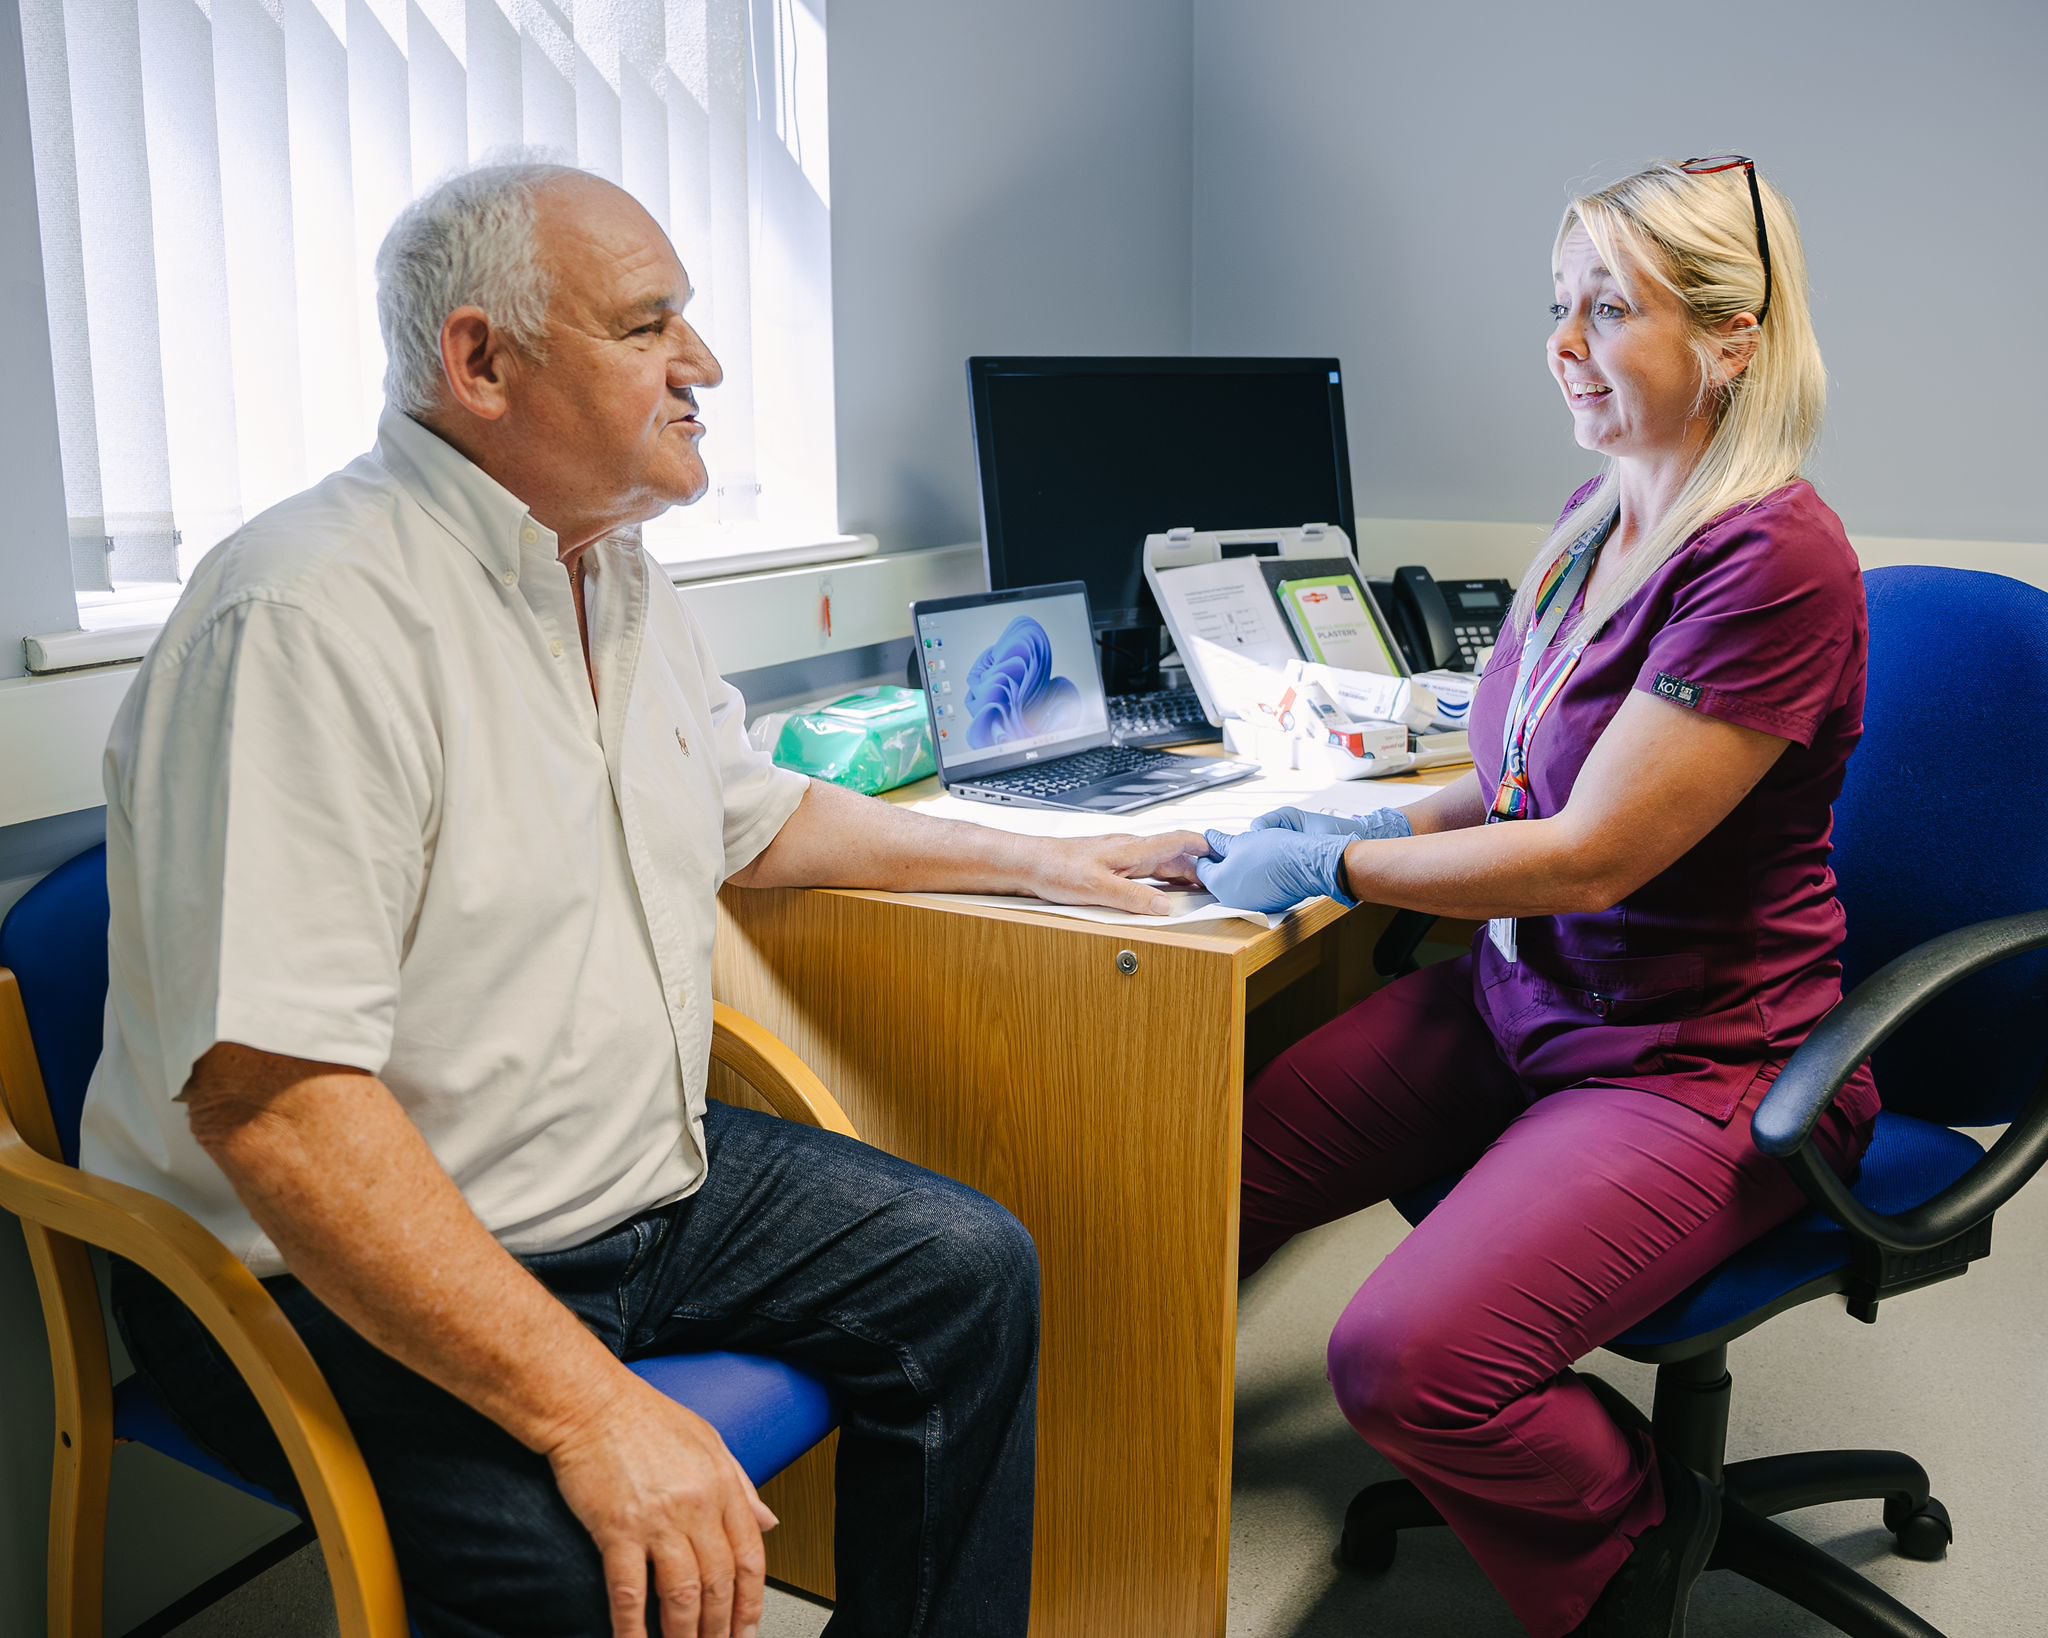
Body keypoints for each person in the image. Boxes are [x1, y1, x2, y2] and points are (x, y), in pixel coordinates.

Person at [79, 160, 1204, 1638]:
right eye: (647, 325)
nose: (708, 366)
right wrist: (589, 1409)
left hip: (625, 1184)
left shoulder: (611, 571)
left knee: (968, 1271)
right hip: (324, 1265)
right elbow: (276, 1106)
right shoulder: (301, 619)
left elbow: (753, 811)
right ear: (481, 361)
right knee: (609, 1574)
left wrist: (1046, 859)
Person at [1194, 158, 1877, 1637]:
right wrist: (1351, 813)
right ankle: (1116, 1470)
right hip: (1532, 1005)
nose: (1563, 343)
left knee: (1399, 1356)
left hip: (1709, 1065)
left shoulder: (1775, 557)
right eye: (1558, 304)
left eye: (1609, 308)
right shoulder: (1594, 517)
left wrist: (1337, 866)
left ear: (1735, 337)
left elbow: (1590, 851)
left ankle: (1629, 1540)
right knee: (1198, 1178)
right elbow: (1518, 773)